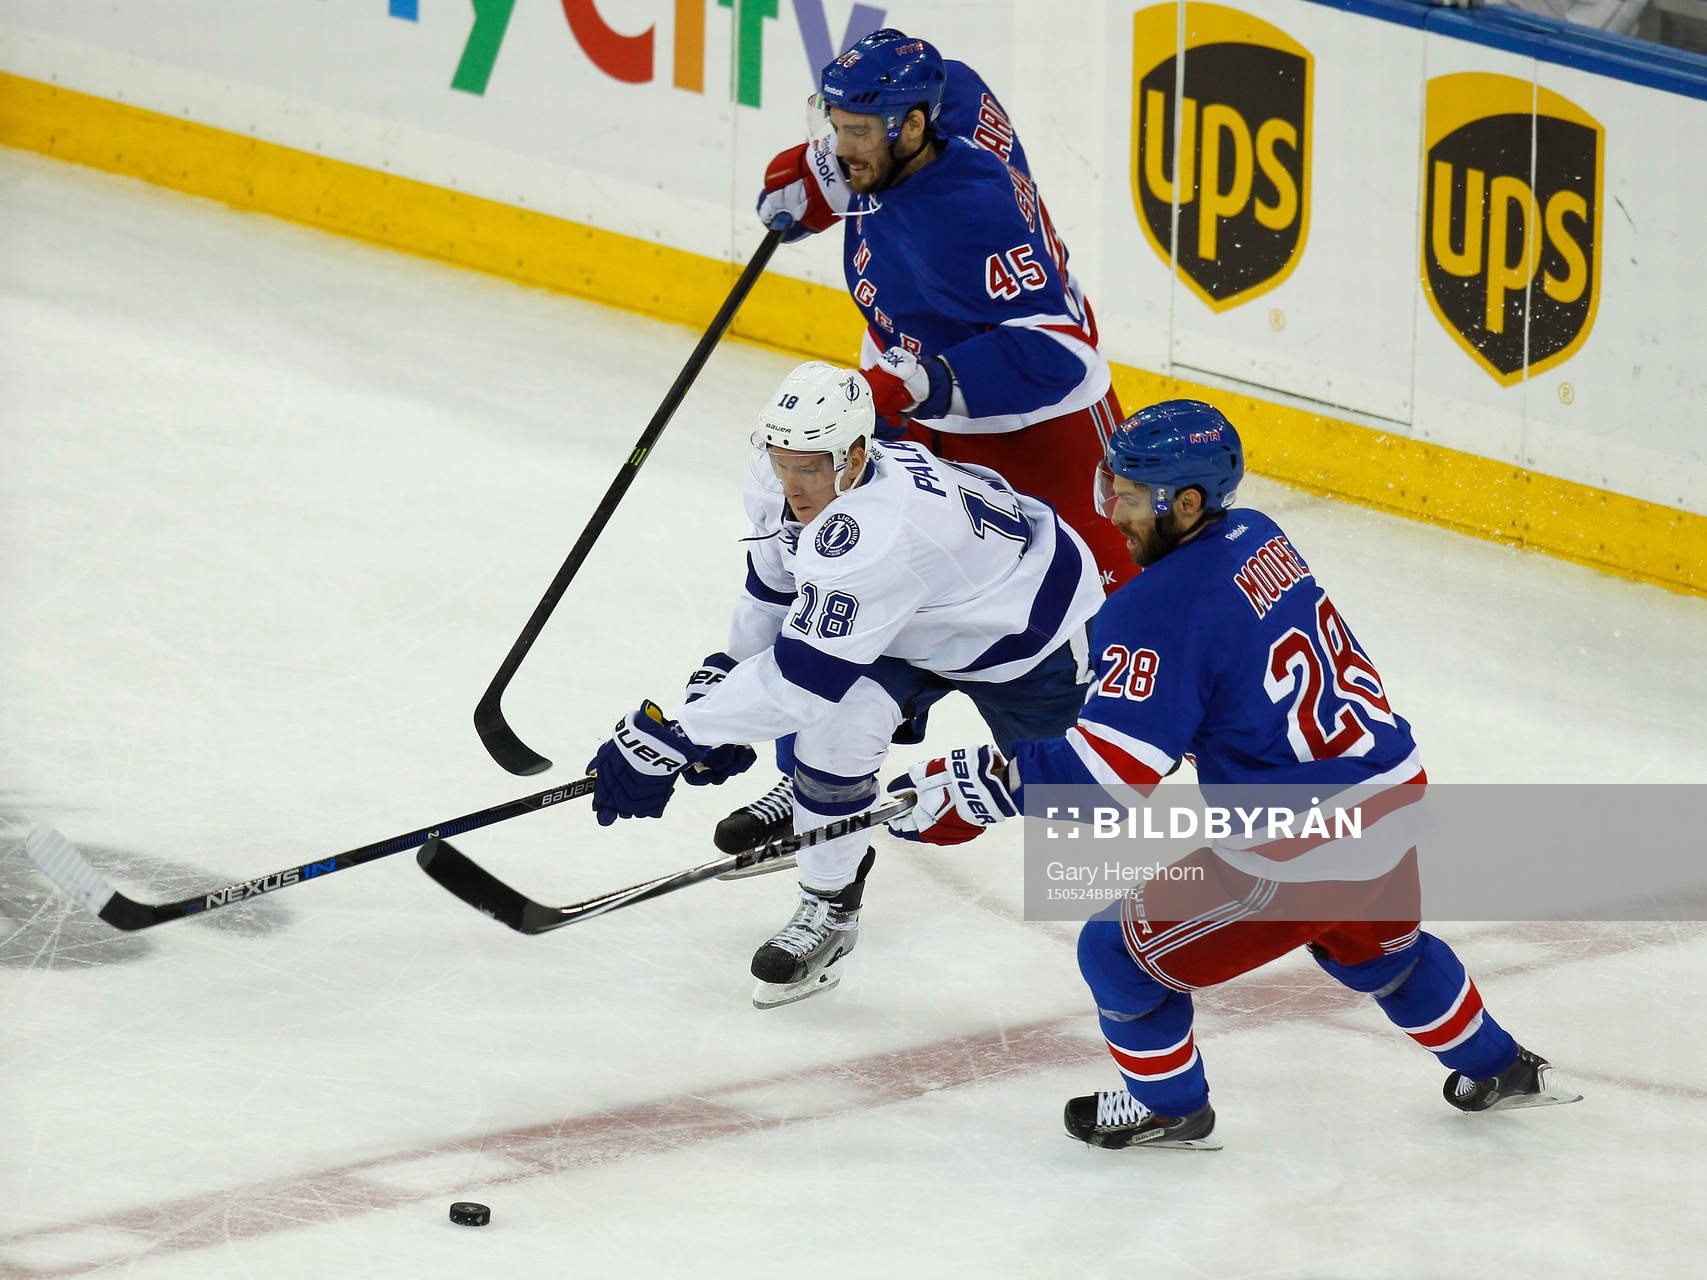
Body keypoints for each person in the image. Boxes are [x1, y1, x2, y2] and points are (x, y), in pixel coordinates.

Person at [885, 399, 1581, 1147]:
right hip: (1389, 791)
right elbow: (1224, 675)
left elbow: (1109, 780)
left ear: (1186, 503)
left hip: (1302, 839)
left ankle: (1170, 1108)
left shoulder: (1156, 608)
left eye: (1129, 497)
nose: (1111, 512)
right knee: (1384, 954)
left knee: (1116, 953)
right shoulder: (1258, 535)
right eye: (1110, 487)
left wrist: (979, 786)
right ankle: (1501, 1067)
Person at [585, 360, 1104, 1009]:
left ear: (856, 455)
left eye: (810, 468)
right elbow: (772, 593)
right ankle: (829, 901)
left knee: (1083, 804)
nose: (792, 485)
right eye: (782, 462)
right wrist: (718, 688)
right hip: (908, 617)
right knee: (833, 729)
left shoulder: (878, 533)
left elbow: (798, 682)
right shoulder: (780, 481)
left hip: (1024, 632)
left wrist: (677, 738)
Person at [728, 26, 1132, 853]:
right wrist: (815, 179)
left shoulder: (972, 211)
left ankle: (1137, 772)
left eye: (856, 132)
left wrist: (912, 386)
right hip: (912, 403)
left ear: (913, 127)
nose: (841, 145)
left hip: (1038, 431)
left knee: (1114, 622)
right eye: (835, 126)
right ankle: (813, 766)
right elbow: (849, 172)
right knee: (858, 574)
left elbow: (1060, 350)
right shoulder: (939, 99)